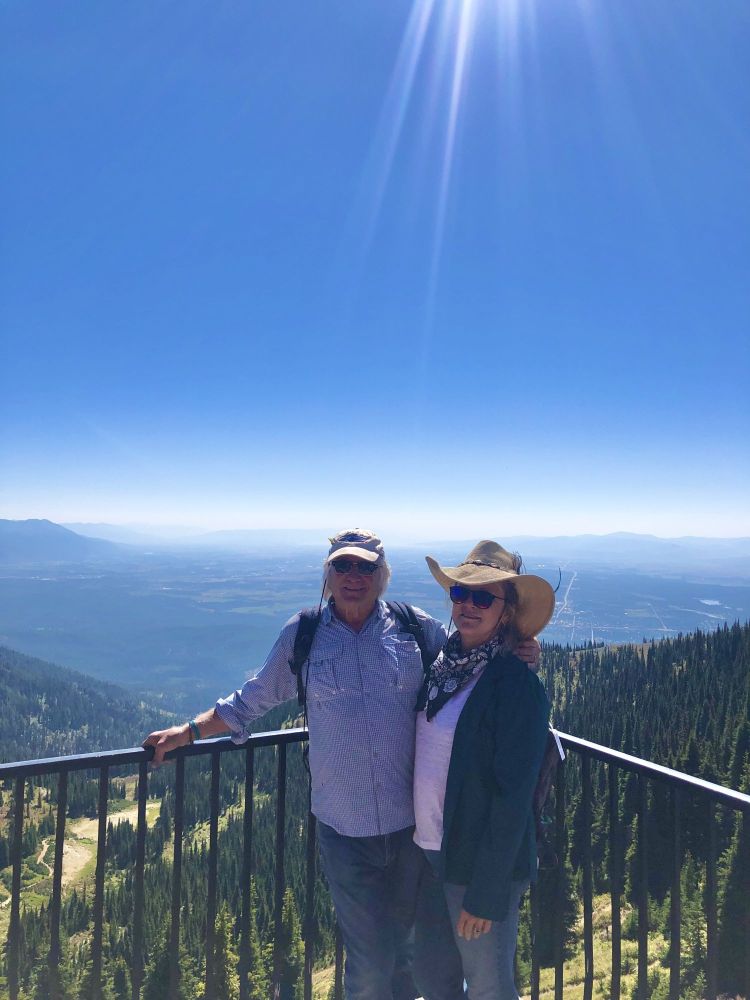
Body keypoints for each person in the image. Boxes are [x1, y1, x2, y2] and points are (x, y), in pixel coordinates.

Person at [143, 529, 541, 1000]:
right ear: (328, 574)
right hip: (345, 833)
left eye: (366, 567)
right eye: (343, 566)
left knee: (420, 960)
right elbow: (251, 699)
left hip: (413, 833)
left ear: (382, 576)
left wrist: (521, 649)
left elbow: (473, 651)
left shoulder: (414, 629)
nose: (354, 576)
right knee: (371, 966)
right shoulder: (304, 635)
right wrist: (188, 732)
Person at [412, 540, 554, 1000]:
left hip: (476, 864)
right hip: (433, 850)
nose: (468, 605)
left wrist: (487, 894)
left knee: (489, 985)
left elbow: (513, 799)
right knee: (436, 979)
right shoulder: (443, 664)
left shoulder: (514, 684)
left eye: (482, 597)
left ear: (506, 611)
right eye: (460, 594)